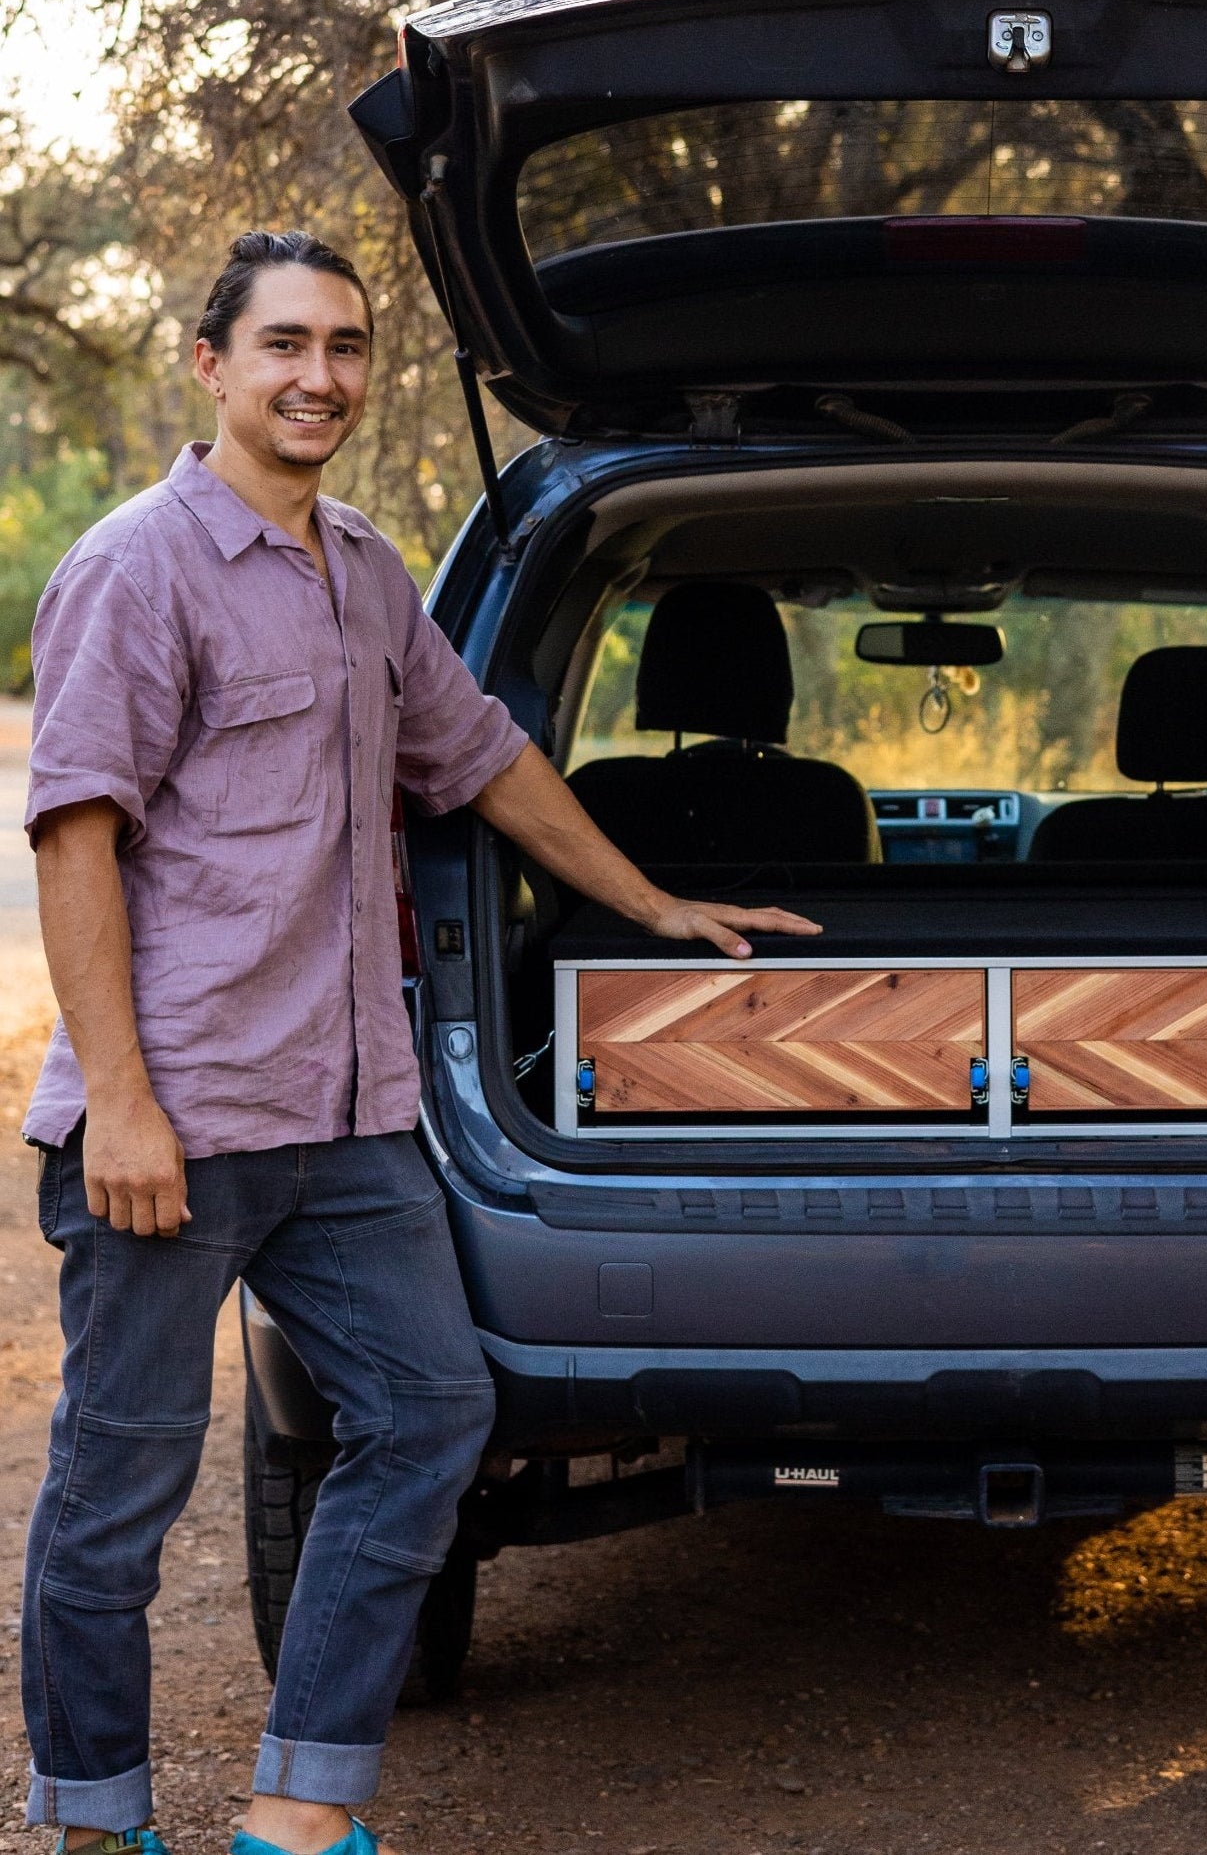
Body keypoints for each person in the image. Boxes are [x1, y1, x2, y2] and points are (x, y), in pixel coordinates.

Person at [19, 229, 820, 1855]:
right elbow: (76, 836)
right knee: (119, 1497)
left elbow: (483, 759)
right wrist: (119, 1104)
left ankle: (299, 1812)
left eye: (347, 348)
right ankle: (95, 1823)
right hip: (174, 1116)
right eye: (285, 347)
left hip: (346, 1111)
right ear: (212, 366)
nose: (321, 377)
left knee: (429, 1413)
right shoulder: (136, 566)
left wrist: (653, 904)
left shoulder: (367, 569)